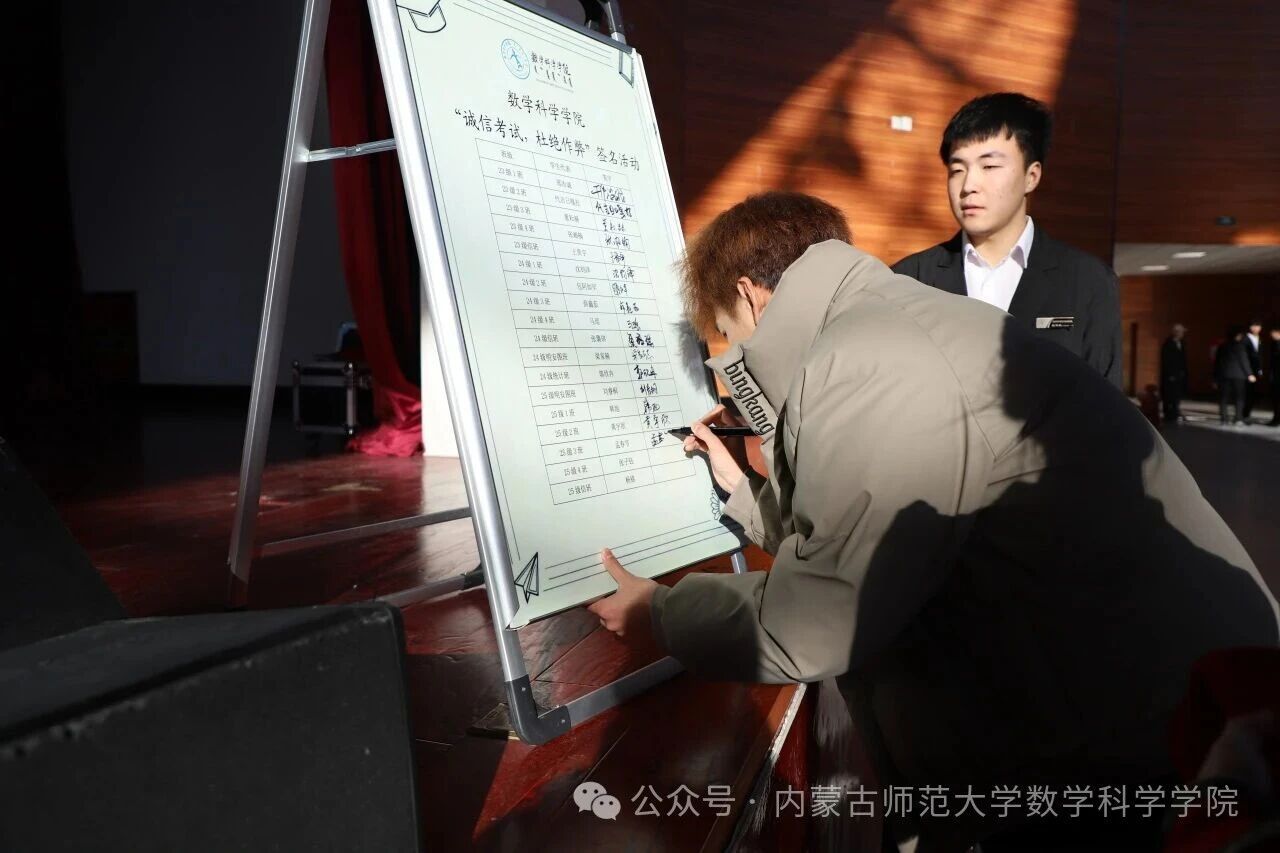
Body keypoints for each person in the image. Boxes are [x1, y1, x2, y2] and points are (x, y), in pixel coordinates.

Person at [587, 191, 1280, 850]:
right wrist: (743, 490)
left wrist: (660, 612)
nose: (728, 362)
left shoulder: (868, 358)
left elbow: (816, 620)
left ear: (750, 294)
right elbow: (870, 532)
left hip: (1149, 763)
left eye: (724, 334)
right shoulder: (897, 322)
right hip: (1149, 722)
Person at [891, 93, 1122, 388]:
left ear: (1031, 176)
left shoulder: (1088, 281)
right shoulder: (907, 280)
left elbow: (1106, 404)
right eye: (957, 170)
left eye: (989, 167)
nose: (969, 185)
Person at [1214, 327, 1254, 426]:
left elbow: (1217, 362)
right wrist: (1249, 374)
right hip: (1238, 375)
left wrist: (1215, 377)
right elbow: (1243, 361)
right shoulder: (1240, 346)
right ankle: (1238, 418)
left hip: (1224, 375)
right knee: (1239, 397)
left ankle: (1224, 419)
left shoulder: (1222, 346)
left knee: (1224, 397)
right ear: (1238, 336)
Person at [1161, 323, 1190, 424]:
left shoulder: (1181, 343)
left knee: (1177, 395)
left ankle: (1175, 412)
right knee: (1169, 395)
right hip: (1170, 375)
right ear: (1176, 332)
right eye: (1181, 332)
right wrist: (1170, 374)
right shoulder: (1168, 344)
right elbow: (1166, 361)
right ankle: (1169, 414)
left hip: (1179, 375)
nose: (1182, 334)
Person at [1243, 320, 1264, 421]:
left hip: (1256, 370)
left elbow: (1259, 356)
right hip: (1246, 370)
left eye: (1258, 326)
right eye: (1254, 326)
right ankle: (1243, 414)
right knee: (1245, 393)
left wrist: (1260, 369)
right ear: (1250, 327)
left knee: (1252, 393)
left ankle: (1247, 413)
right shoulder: (1245, 339)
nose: (1256, 328)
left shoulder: (1259, 339)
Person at [1270, 328, 1280, 427]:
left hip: (1277, 377)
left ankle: (1276, 420)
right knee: (1276, 400)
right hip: (1275, 376)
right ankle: (1276, 419)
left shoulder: (1277, 344)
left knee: (1277, 400)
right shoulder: (1274, 343)